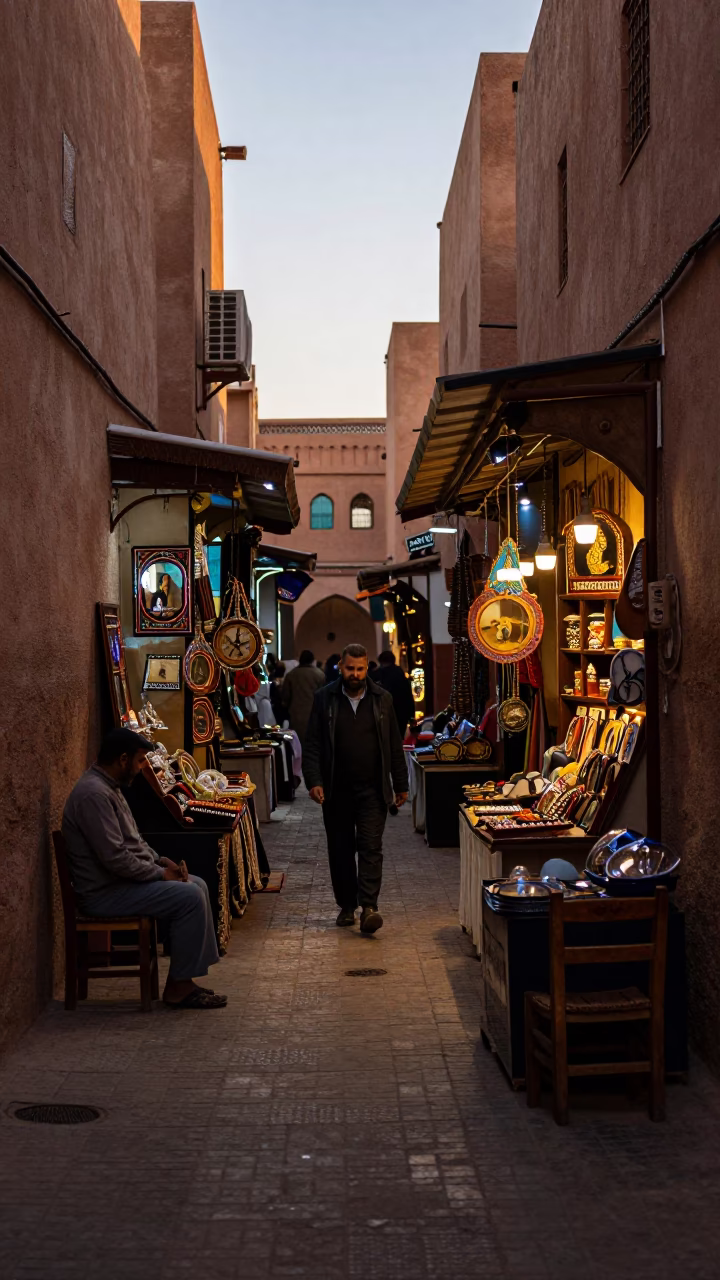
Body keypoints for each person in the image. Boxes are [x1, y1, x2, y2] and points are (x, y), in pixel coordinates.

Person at [62, 728, 226, 1009]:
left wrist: (160, 861)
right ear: (123, 759)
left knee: (197, 884)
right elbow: (116, 859)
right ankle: (178, 988)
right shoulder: (94, 795)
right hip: (104, 893)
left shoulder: (108, 788)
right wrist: (160, 874)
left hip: (119, 884)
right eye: (139, 762)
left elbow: (134, 841)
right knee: (190, 897)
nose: (142, 769)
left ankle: (184, 979)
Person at [303, 643, 409, 934]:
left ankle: (369, 907)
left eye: (360, 669)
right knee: (340, 850)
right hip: (336, 790)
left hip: (373, 791)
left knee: (371, 848)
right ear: (341, 667)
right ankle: (347, 906)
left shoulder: (382, 699)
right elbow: (312, 743)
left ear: (367, 668)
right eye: (350, 669)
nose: (355, 674)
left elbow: (394, 745)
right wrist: (314, 780)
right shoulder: (324, 699)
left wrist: (400, 784)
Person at [280, 649, 324, 744]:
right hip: (315, 716)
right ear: (312, 660)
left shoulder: (291, 675)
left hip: (296, 716)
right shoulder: (320, 675)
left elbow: (285, 698)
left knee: (297, 744)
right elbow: (324, 698)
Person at [372, 650, 416, 740]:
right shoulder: (400, 674)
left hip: (384, 714)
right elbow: (408, 696)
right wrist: (411, 715)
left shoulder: (379, 675)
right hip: (401, 713)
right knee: (398, 739)